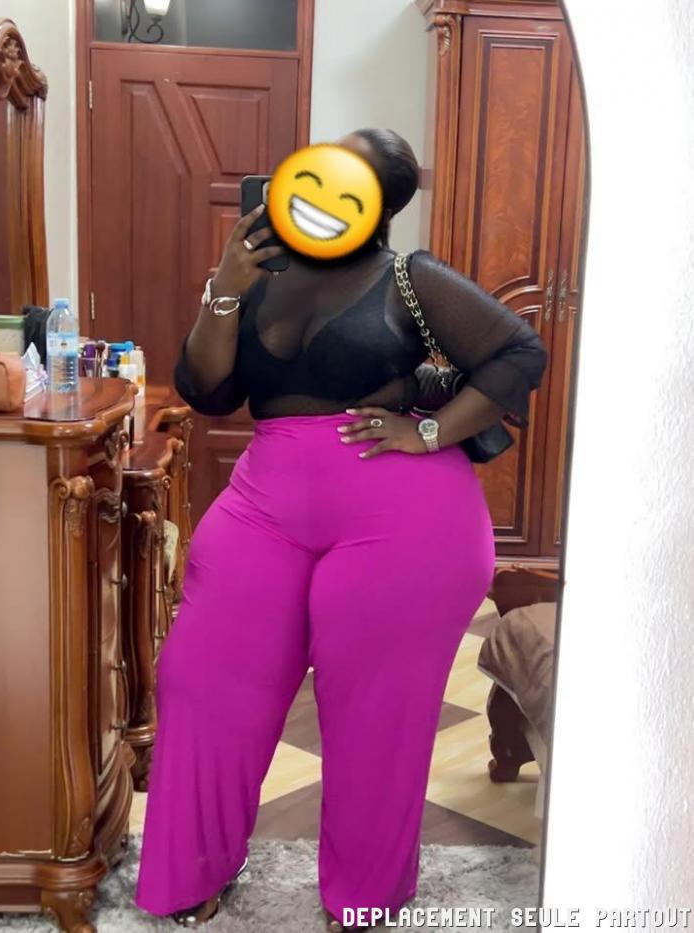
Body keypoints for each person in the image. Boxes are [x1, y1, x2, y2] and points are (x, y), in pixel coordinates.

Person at [135, 128, 548, 932]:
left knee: (373, 711)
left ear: (377, 204)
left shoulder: (410, 275)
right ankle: (193, 868)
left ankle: (363, 895)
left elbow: (518, 350)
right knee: (201, 678)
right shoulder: (259, 273)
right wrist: (224, 286)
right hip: (267, 503)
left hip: (407, 517)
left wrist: (428, 431)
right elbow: (206, 389)